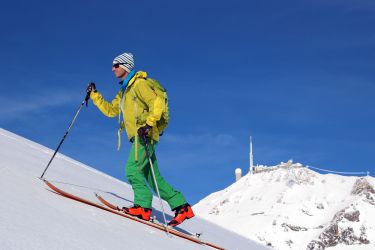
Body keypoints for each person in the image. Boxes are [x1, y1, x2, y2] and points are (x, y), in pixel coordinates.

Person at [86, 52, 194, 227]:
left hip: (145, 135)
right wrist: (94, 95)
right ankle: (182, 206)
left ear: (126, 66)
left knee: (132, 169)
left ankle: (143, 207)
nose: (112, 68)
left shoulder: (139, 84)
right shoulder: (124, 91)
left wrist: (149, 124)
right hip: (141, 136)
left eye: (116, 65)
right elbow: (111, 111)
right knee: (153, 178)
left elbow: (156, 103)